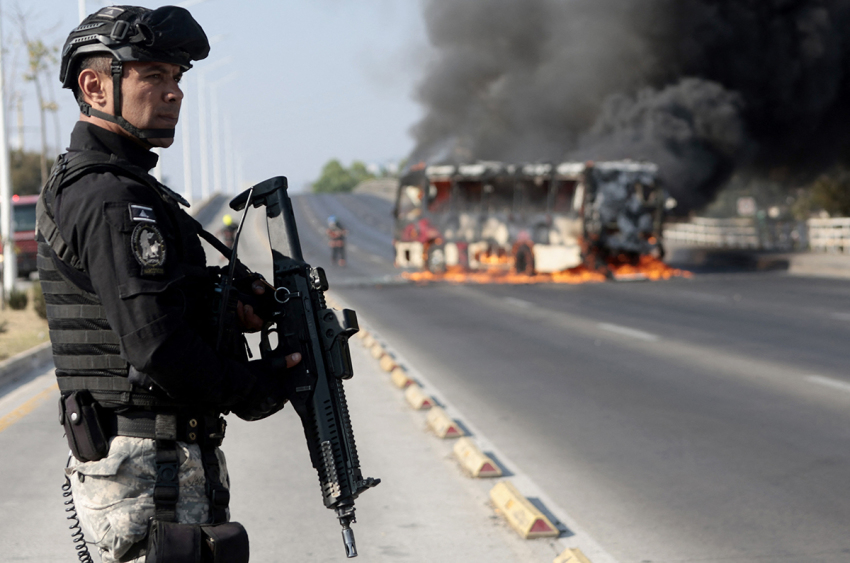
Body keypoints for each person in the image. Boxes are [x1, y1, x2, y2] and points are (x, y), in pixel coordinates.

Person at [37, 6, 300, 562]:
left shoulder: (134, 191)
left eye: (177, 78)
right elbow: (157, 345)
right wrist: (257, 385)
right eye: (152, 75)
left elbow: (159, 305)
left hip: (162, 466)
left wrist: (229, 309)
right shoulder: (110, 198)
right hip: (146, 478)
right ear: (95, 86)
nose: (174, 92)